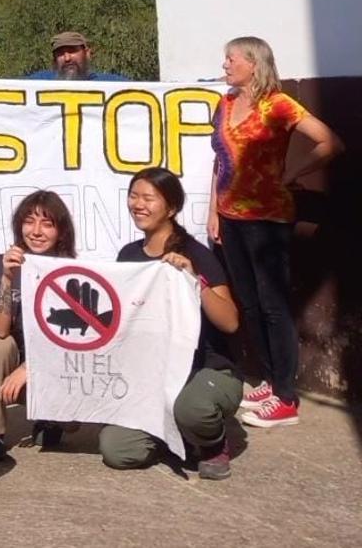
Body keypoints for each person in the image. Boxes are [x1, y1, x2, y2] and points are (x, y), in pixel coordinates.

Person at [207, 37, 343, 428]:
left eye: (231, 58)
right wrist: (214, 210)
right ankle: (269, 380)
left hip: (267, 219)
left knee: (273, 306)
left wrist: (293, 172)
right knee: (249, 304)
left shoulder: (279, 104)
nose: (226, 64)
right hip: (231, 218)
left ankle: (286, 398)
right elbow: (219, 160)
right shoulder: (227, 102)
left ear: (254, 63)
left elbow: (329, 141)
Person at [100, 167, 241, 480]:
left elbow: (230, 322)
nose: (138, 204)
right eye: (134, 196)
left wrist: (195, 280)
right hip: (155, 374)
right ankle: (172, 436)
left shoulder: (195, 254)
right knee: (117, 450)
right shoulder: (128, 255)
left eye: (148, 198)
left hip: (207, 369)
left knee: (193, 409)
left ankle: (212, 443)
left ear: (172, 208)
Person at [0, 190, 77, 461]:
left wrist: (29, 367)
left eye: (47, 223)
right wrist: (7, 278)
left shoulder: (72, 270)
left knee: (72, 391)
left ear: (61, 231)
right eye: (30, 221)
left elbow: (71, 338)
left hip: (48, 360)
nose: (37, 231)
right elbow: (0, 329)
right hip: (9, 354)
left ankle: (50, 418)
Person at [0, 31, 128, 81]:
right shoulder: (41, 82)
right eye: (60, 54)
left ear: (88, 53)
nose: (66, 58)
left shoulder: (111, 85)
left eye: (72, 51)